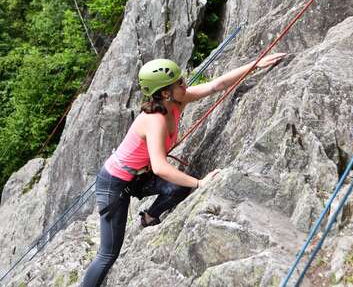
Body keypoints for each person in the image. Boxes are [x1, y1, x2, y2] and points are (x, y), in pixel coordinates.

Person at [82, 53, 286, 287]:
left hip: (137, 176)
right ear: (165, 92)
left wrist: (255, 63)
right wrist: (200, 183)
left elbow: (215, 85)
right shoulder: (154, 120)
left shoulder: (178, 101)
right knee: (108, 254)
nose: (185, 83)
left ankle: (149, 217)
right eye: (179, 82)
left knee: (179, 186)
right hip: (114, 183)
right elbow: (160, 167)